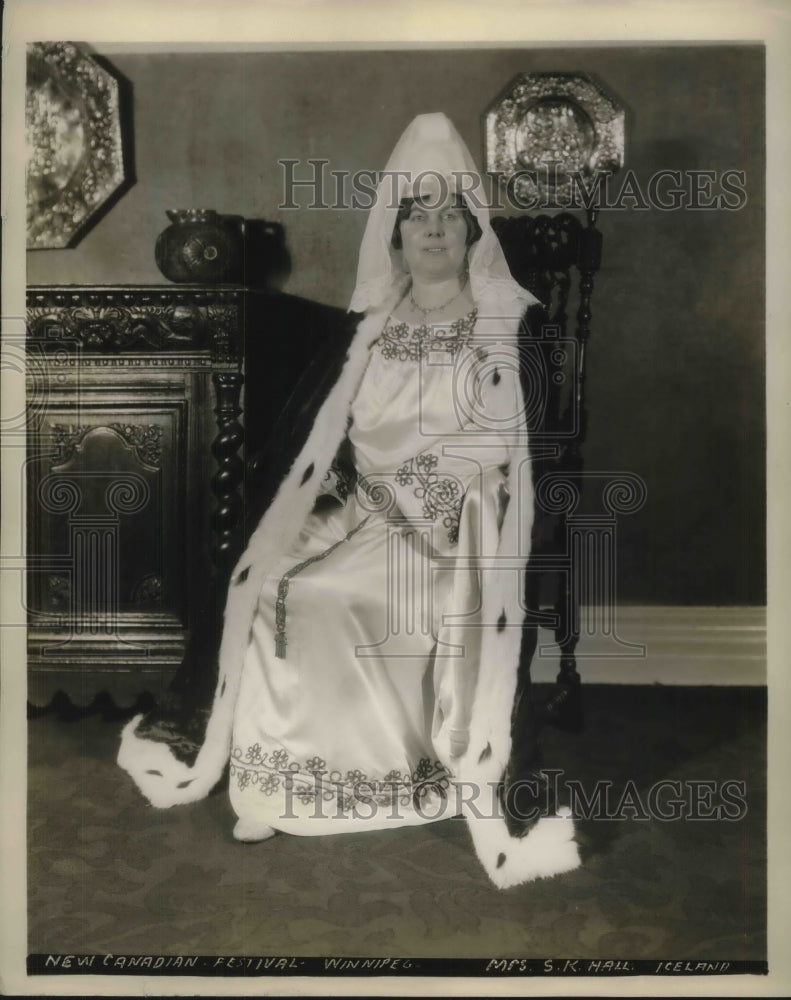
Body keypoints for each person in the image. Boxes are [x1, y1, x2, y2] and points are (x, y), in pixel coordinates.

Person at [119, 113, 580, 888]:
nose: (433, 229)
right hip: (363, 510)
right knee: (262, 578)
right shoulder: (366, 325)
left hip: (449, 524)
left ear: (472, 230)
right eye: (416, 214)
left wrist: (423, 498)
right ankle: (275, 782)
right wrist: (334, 485)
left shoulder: (502, 324)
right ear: (394, 232)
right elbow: (325, 429)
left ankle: (380, 778)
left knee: (325, 591)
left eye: (449, 215)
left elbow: (508, 437)